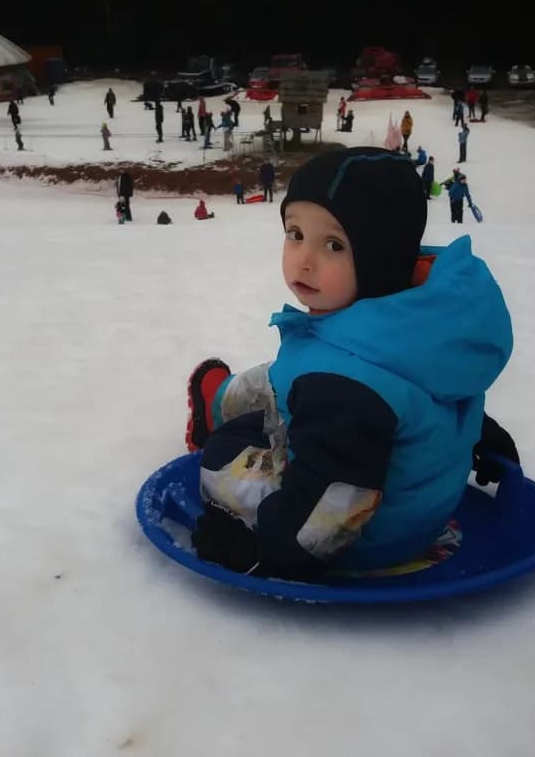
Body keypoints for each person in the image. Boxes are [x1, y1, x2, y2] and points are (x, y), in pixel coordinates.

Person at [181, 147, 516, 580]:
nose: (304, 258)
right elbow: (432, 396)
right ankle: (220, 398)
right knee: (294, 377)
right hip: (418, 516)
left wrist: (262, 551)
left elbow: (335, 501)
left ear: (379, 257)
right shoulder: (425, 321)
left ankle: (217, 411)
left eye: (333, 244)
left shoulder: (343, 386)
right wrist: (484, 437)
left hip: (359, 543)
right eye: (295, 233)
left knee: (226, 446)